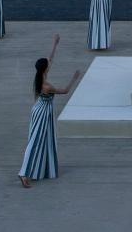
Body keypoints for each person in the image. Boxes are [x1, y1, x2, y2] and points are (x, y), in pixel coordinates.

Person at [18, 36, 81, 187]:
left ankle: (38, 169)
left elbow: (50, 58)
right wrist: (74, 79)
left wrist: (55, 43)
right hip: (42, 112)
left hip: (41, 109)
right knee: (35, 141)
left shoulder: (40, 76)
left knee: (42, 139)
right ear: (45, 68)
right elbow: (65, 91)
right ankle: (23, 173)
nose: (49, 64)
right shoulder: (46, 85)